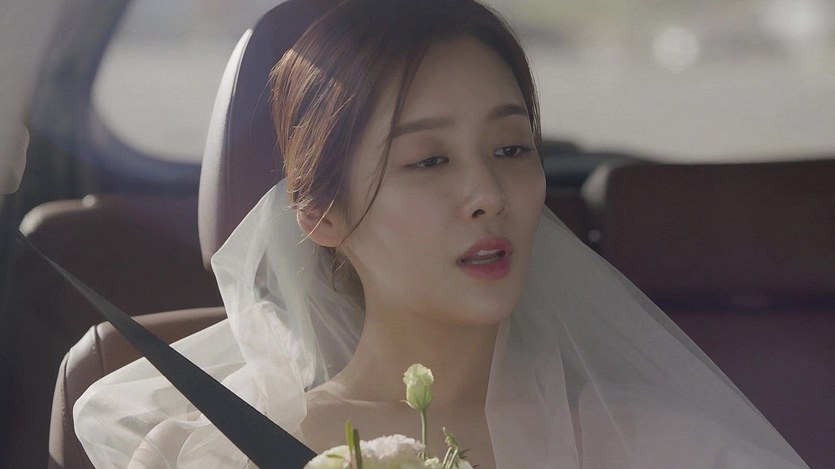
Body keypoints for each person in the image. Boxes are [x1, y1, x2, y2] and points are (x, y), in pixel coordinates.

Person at [74, 0, 809, 467]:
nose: (488, 194)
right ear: (321, 214)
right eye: (428, 160)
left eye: (511, 148)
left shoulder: (662, 445)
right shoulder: (212, 448)